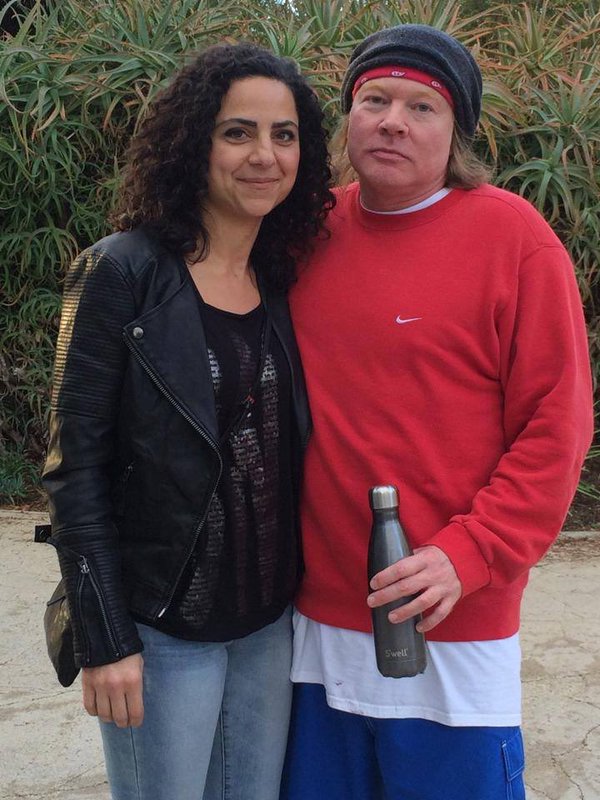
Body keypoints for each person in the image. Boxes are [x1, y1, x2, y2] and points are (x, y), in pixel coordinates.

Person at [281, 23, 593, 800]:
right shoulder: (300, 234)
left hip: (454, 623)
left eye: (421, 107)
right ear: (347, 117)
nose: (393, 121)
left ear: (456, 132)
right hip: (314, 627)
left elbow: (557, 426)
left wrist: (472, 552)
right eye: (374, 100)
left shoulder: (513, 239)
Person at [42, 42, 333, 800]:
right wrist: (106, 638)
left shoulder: (281, 279)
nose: (264, 155)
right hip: (162, 628)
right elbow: (75, 470)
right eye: (237, 132)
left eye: (284, 134)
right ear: (192, 143)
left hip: (266, 628)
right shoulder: (120, 272)